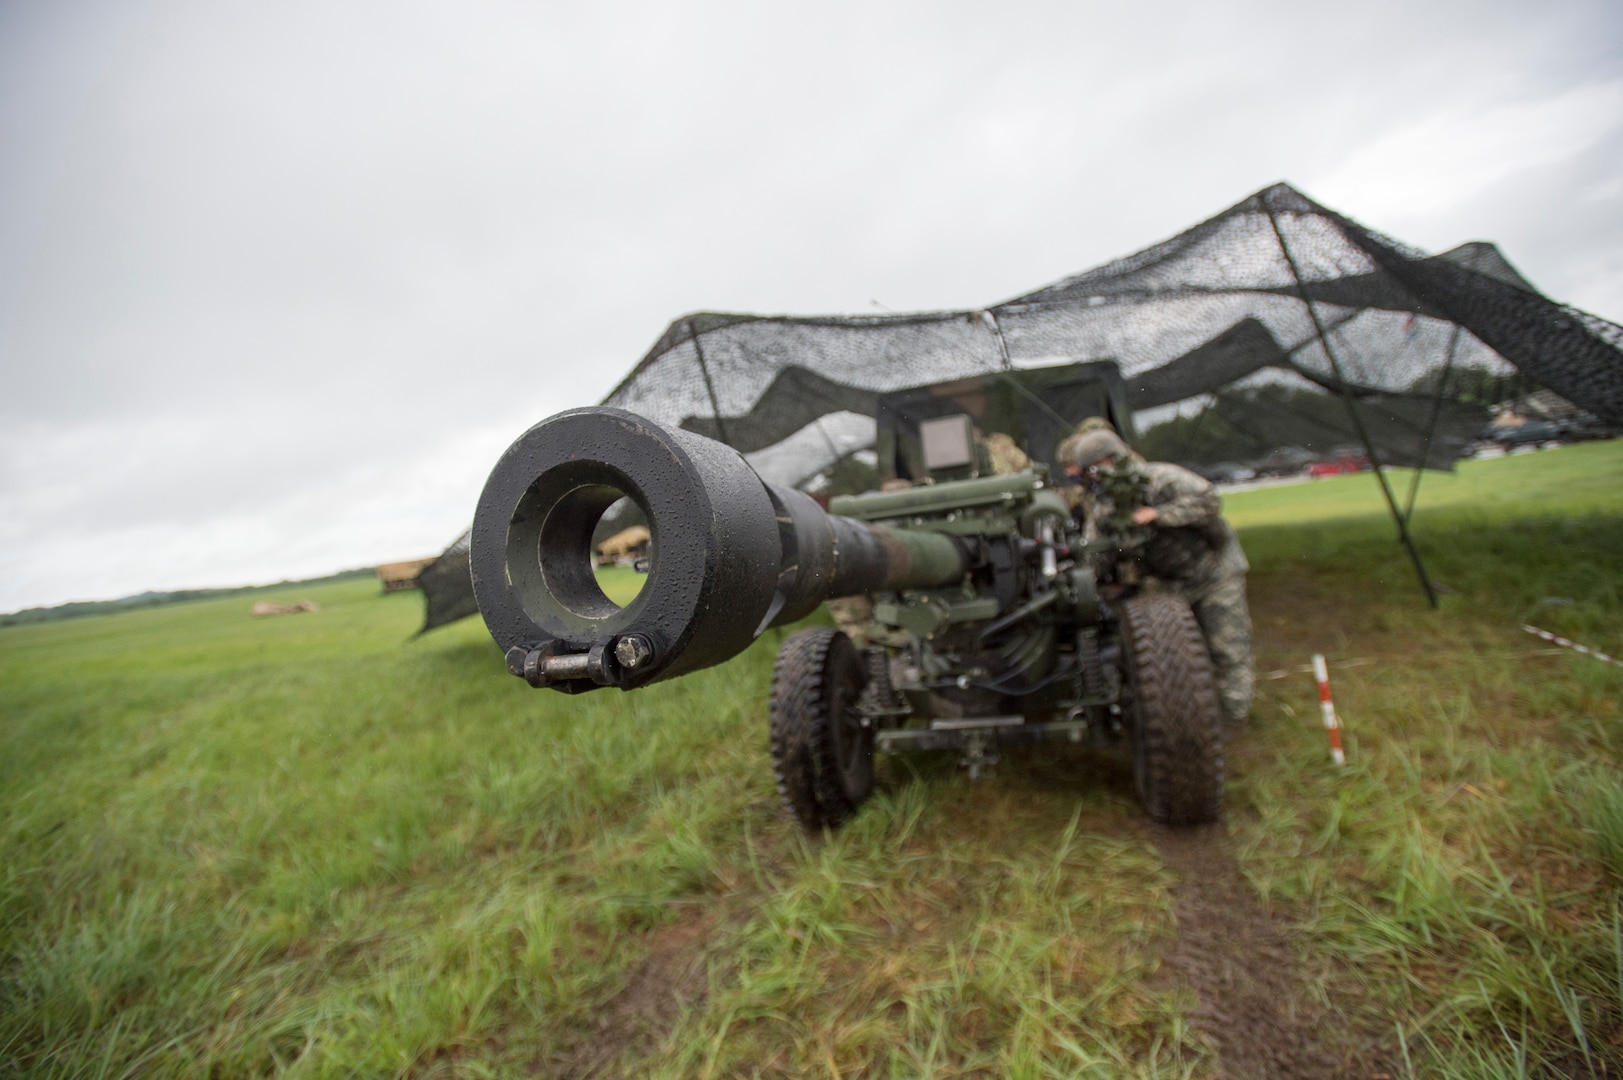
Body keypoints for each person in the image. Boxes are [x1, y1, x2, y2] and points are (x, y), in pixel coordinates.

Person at [1056, 423, 1255, 726]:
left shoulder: (1160, 478)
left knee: (1227, 650)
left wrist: (1158, 515)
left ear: (1112, 460)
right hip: (1169, 584)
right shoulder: (1105, 507)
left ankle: (1232, 719)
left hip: (1215, 574)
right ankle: (1196, 718)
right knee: (1181, 655)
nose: (1090, 478)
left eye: (1094, 469)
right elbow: (1097, 554)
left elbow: (1209, 501)